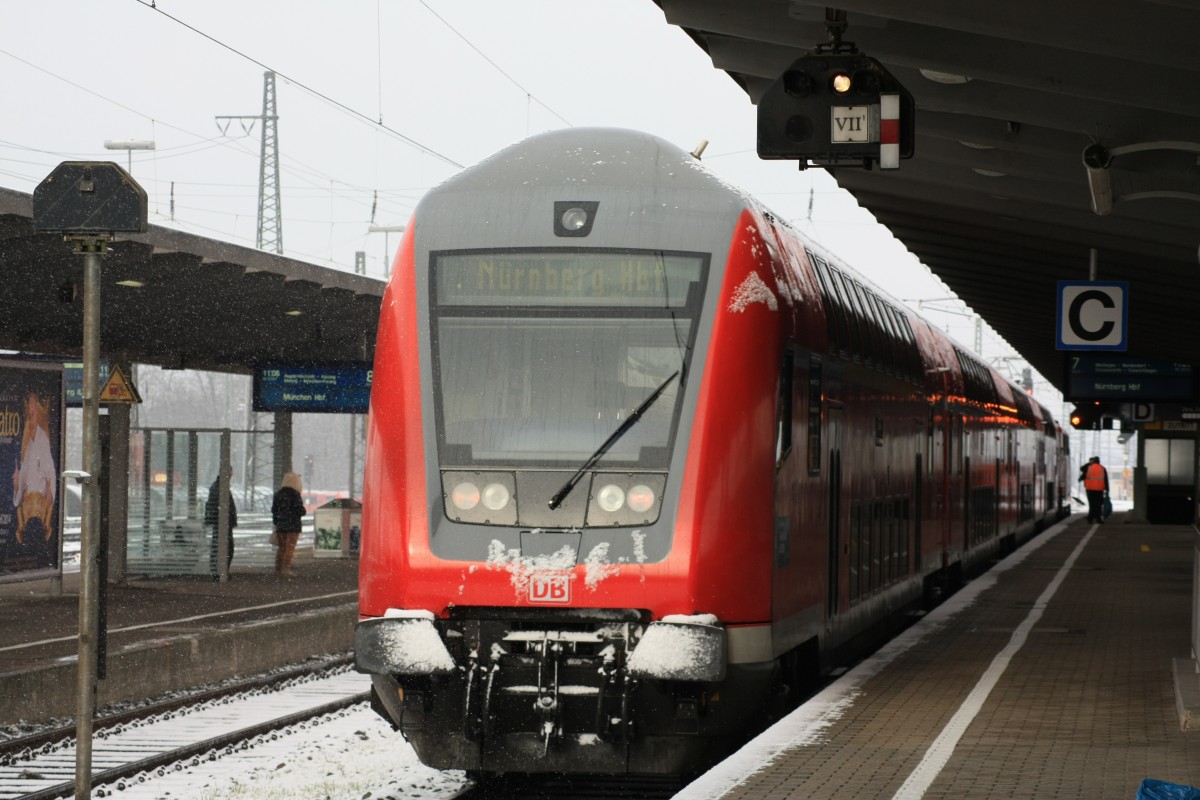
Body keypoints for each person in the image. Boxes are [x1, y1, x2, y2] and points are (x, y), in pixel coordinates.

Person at [271, 472, 305, 578]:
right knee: (289, 548)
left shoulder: (278, 494)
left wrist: (277, 522)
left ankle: (278, 569)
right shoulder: (295, 494)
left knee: (281, 548)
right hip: (293, 526)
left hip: (281, 526)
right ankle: (286, 569)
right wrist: (302, 510)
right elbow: (300, 510)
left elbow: (274, 510)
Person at [205, 469, 237, 576]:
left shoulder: (220, 487)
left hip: (223, 523)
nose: (231, 476)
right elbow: (218, 506)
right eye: (230, 474)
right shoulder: (220, 488)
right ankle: (219, 572)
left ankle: (220, 571)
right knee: (224, 548)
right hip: (221, 523)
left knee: (224, 547)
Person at [1081, 456, 1110, 524]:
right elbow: (1106, 480)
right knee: (1098, 505)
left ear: (1093, 461)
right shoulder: (1102, 468)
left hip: (1090, 489)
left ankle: (1090, 519)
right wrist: (1107, 489)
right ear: (1099, 461)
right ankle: (1098, 519)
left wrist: (1089, 463)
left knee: (1092, 505)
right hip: (1099, 490)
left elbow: (1082, 469)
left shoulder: (1088, 467)